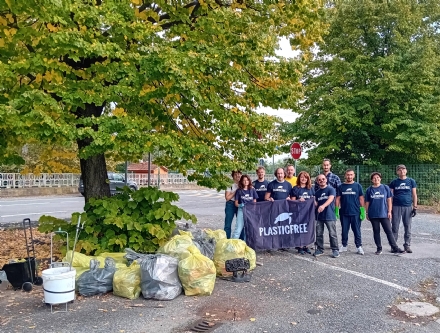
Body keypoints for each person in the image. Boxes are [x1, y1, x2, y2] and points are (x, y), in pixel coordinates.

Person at [364, 172, 405, 255]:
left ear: (380, 178)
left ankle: (395, 248)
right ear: (372, 180)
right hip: (373, 214)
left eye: (378, 177)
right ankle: (379, 248)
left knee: (389, 231)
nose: (376, 179)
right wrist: (367, 213)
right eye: (374, 178)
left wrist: (389, 211)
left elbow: (389, 200)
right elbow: (367, 202)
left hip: (384, 213)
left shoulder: (385, 188)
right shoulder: (369, 190)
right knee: (376, 231)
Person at [336, 169, 365, 255]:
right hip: (344, 212)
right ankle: (344, 245)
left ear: (354, 175)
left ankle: (359, 246)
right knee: (344, 230)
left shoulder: (358, 186)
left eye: (351, 175)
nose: (349, 176)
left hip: (355, 212)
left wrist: (362, 210)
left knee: (356, 230)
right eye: (348, 175)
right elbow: (338, 198)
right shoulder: (341, 186)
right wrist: (336, 209)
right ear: (345, 175)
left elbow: (361, 198)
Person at [389, 165, 417, 253]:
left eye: (403, 169)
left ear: (406, 170)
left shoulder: (411, 181)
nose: (402, 171)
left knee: (408, 226)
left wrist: (415, 207)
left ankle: (407, 245)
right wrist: (390, 209)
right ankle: (394, 246)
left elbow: (414, 194)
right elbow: (390, 196)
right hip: (396, 206)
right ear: (397, 172)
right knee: (395, 227)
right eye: (399, 170)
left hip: (408, 206)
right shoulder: (394, 182)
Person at [314, 174, 340, 258]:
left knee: (332, 233)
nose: (321, 180)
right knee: (318, 233)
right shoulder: (317, 193)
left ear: (326, 180)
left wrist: (323, 206)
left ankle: (335, 249)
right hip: (319, 216)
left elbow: (331, 199)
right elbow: (316, 204)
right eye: (319, 180)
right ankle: (320, 249)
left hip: (329, 215)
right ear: (317, 182)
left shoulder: (331, 189)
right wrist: (313, 202)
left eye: (323, 179)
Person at [290, 171, 315, 255]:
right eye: (302, 177)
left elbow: (314, 201)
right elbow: (292, 201)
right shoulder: (295, 188)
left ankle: (306, 246)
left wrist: (314, 201)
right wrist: (298, 200)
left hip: (308, 213)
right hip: (298, 213)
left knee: (308, 229)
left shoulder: (311, 188)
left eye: (305, 177)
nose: (303, 179)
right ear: (299, 178)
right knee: (300, 229)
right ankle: (300, 246)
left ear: (308, 179)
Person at [232, 175, 258, 239]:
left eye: (247, 180)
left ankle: (246, 245)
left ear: (249, 181)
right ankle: (233, 245)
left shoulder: (252, 190)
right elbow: (236, 203)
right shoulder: (239, 191)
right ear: (242, 181)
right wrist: (241, 205)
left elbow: (255, 202)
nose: (246, 182)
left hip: (250, 211)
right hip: (242, 210)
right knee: (238, 229)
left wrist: (253, 210)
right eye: (244, 180)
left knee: (248, 230)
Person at [224, 170, 242, 239]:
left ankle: (241, 241)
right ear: (233, 175)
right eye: (236, 174)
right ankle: (227, 241)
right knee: (227, 225)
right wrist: (236, 190)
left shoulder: (243, 182)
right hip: (230, 204)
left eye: (239, 174)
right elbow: (227, 198)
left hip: (240, 204)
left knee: (241, 224)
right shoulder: (229, 184)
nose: (238, 175)